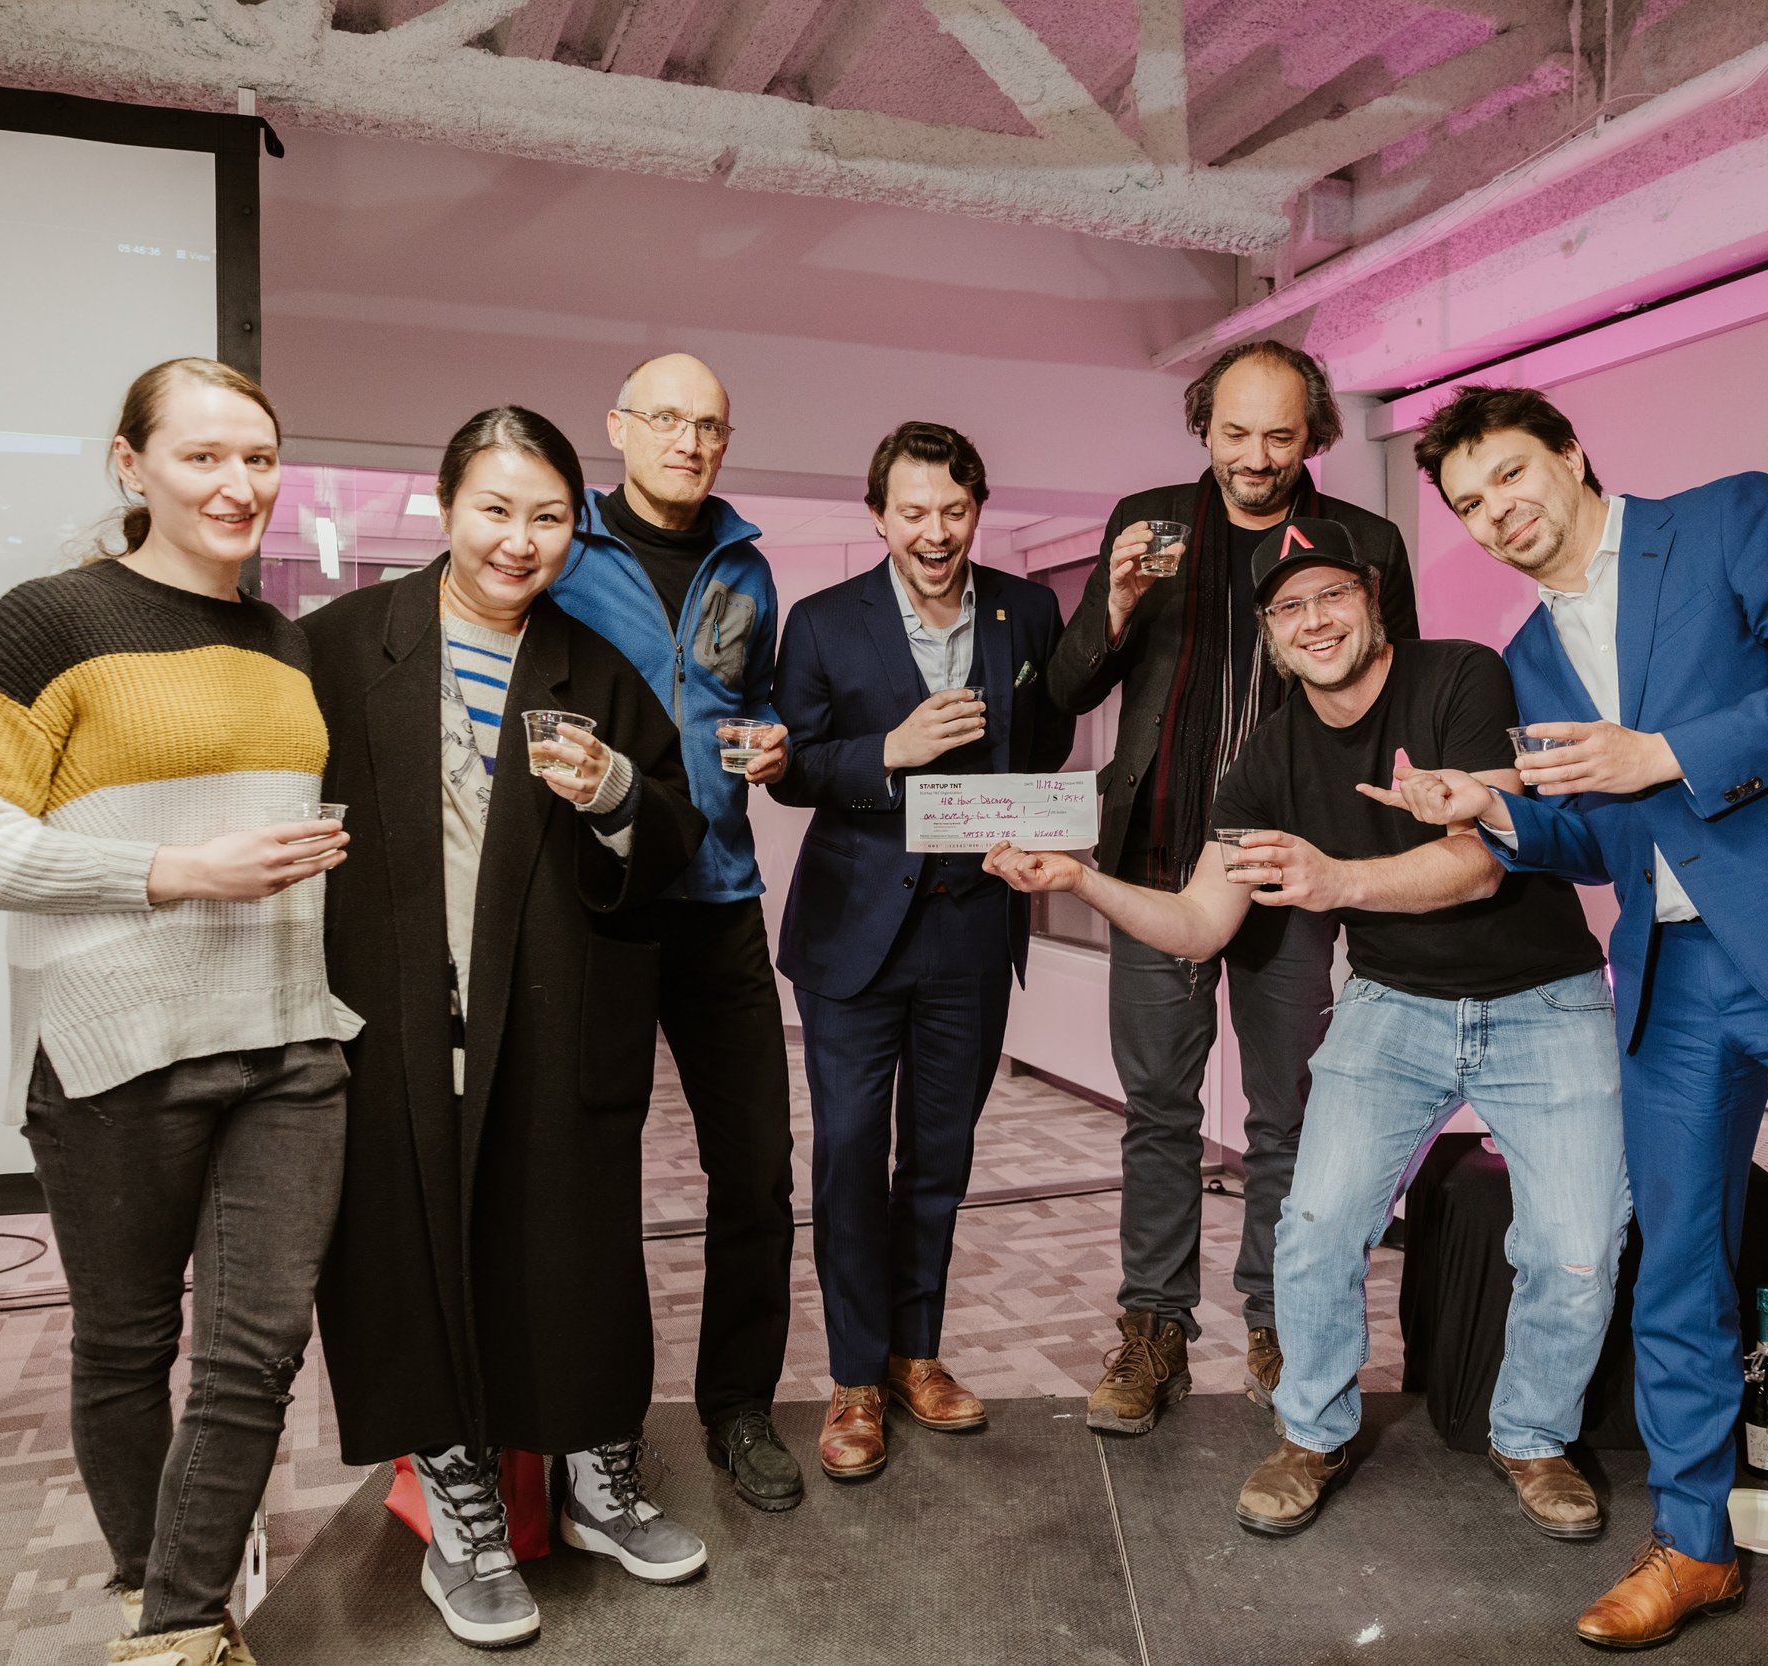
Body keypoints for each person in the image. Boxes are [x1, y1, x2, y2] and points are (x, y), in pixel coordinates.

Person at [1407, 387, 1768, 1664]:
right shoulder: (1529, 656)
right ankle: (1695, 1545)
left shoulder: (1729, 521)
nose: (1497, 515)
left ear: (1568, 452)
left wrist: (1661, 751)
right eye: (1471, 507)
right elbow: (1598, 836)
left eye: (1506, 478)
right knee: (1678, 1268)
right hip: (1675, 979)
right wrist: (1486, 809)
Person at [989, 517, 1626, 1539]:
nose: (1314, 618)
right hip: (1394, 1006)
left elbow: (1478, 859)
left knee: (1576, 1244)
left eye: (1331, 594)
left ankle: (1534, 1435)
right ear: (1270, 636)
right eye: (1289, 606)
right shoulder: (1265, 760)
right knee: (1319, 1223)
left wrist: (1334, 879)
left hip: (1540, 999)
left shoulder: (1459, 677)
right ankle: (1312, 1430)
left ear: (1372, 600)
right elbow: (1200, 925)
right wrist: (1078, 879)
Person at [0, 356, 358, 1666]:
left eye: (259, 458)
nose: (238, 484)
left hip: (288, 1044)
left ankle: (177, 1627)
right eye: (205, 456)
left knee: (254, 1351)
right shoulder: (46, 621)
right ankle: (145, 1590)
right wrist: (166, 871)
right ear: (131, 464)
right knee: (126, 1342)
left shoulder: (282, 639)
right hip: (115, 1051)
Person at [303, 407, 707, 1650]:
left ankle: (596, 1477)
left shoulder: (596, 669)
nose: (518, 540)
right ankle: (460, 1508)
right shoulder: (335, 647)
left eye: (547, 517)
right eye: (496, 509)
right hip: (396, 1021)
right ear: (441, 505)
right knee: (406, 1256)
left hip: (552, 1021)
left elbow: (676, 841)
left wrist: (622, 794)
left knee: (573, 1251)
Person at [1047, 339, 1419, 1434]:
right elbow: (1071, 687)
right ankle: (1154, 1331)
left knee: (1284, 1116)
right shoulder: (1146, 522)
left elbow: (1391, 693)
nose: (1256, 457)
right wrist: (1110, 605)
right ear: (1201, 426)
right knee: (1155, 1110)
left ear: (1315, 437)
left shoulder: (1367, 543)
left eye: (1280, 435)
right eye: (1236, 432)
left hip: (1292, 870)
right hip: (1156, 857)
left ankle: (1276, 1316)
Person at [768, 422, 1075, 1481]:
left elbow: (1045, 746)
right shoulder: (818, 623)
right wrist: (888, 753)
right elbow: (792, 768)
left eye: (953, 509)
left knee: (938, 1161)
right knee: (851, 1156)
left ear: (977, 509)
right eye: (912, 511)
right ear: (878, 516)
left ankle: (914, 1354)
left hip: (971, 929)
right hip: (854, 934)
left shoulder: (1026, 608)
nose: (934, 531)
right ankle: (853, 1375)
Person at [548, 351, 805, 1510]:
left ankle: (739, 1408)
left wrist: (770, 740)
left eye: (710, 424)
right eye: (666, 419)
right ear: (618, 428)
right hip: (594, 908)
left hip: (719, 904)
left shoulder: (746, 568)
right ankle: (594, 1413)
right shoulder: (561, 552)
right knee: (586, 1175)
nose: (689, 442)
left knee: (753, 1173)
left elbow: (748, 708)